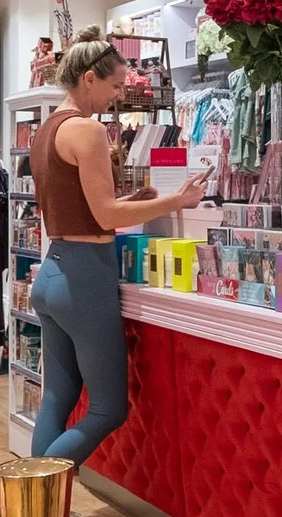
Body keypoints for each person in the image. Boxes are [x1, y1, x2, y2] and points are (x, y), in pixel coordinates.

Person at [28, 29, 208, 463]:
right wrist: (175, 200)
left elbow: (81, 208)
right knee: (109, 408)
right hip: (85, 279)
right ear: (89, 79)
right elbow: (106, 218)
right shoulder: (87, 131)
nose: (119, 95)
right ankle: (39, 503)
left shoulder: (47, 129)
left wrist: (135, 202)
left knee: (58, 395)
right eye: (115, 85)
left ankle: (33, 516)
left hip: (53, 270)